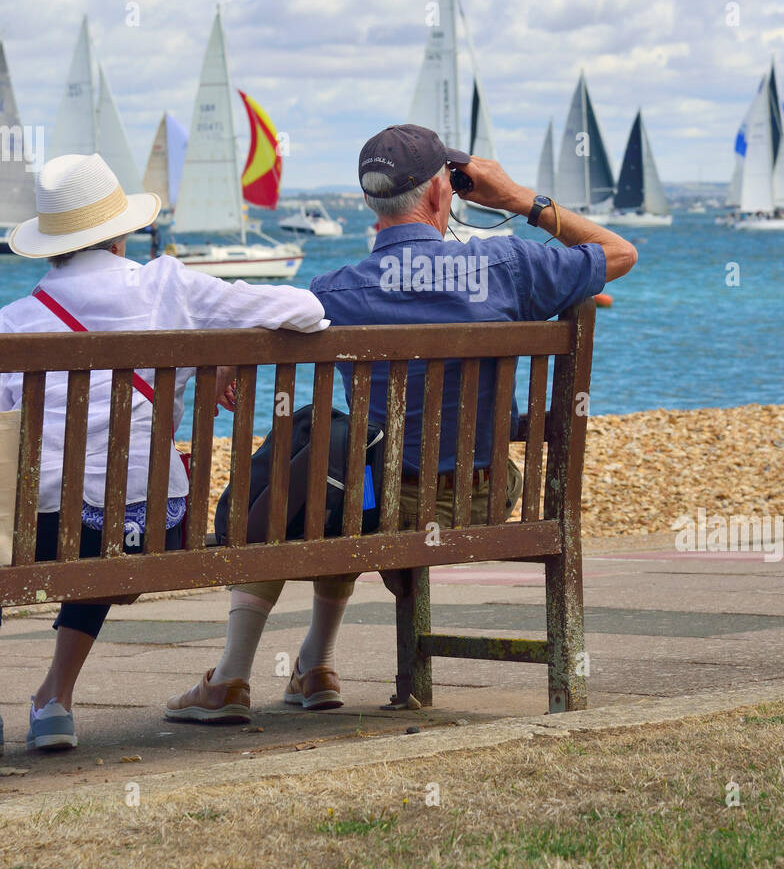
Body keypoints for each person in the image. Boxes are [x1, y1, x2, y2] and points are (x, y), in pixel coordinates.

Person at [166, 123, 637, 720]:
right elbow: (621, 253)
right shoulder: (509, 265)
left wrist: (229, 365)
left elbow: (267, 323)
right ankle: (314, 666)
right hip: (482, 499)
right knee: (334, 458)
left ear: (371, 201)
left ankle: (238, 675)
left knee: (316, 467)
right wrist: (521, 200)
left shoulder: (335, 290)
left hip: (372, 507)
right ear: (444, 193)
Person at [0, 153, 328, 752]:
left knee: (51, 511)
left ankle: (52, 704)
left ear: (51, 245)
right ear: (120, 233)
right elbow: (307, 311)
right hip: (146, 528)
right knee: (101, 506)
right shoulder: (165, 285)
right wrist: (224, 354)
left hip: (30, 537)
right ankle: (53, 699)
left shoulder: (14, 324)